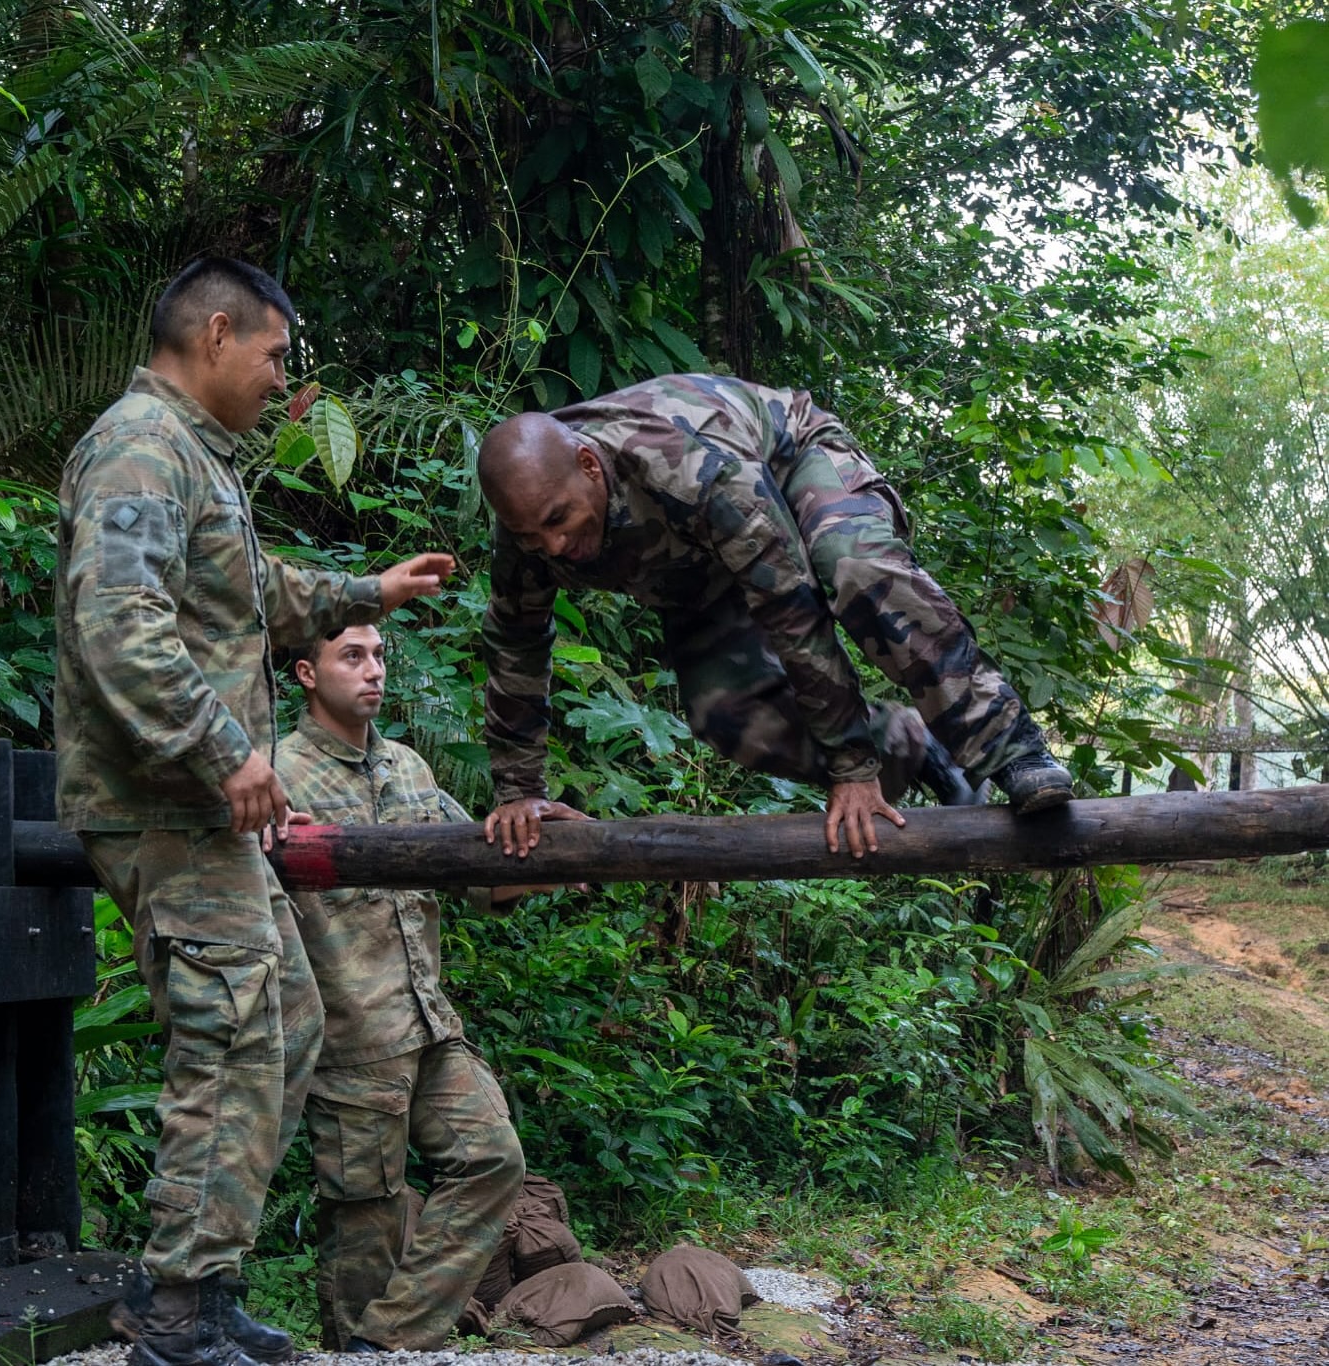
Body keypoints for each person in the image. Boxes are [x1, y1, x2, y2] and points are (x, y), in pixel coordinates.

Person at [54, 257, 455, 1366]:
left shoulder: (193, 458)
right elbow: (120, 626)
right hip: (164, 807)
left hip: (198, 810)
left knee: (284, 1022)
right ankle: (175, 1313)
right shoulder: (140, 446)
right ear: (216, 332)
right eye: (276, 356)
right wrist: (227, 750)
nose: (283, 380)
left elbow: (249, 595)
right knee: (232, 1030)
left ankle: (205, 1279)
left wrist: (367, 593)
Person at [477, 373, 1073, 862]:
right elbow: (515, 644)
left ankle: (1012, 752)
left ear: (588, 465)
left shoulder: (692, 469)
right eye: (531, 535)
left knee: (856, 568)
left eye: (559, 521)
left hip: (791, 467)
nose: (552, 547)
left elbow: (793, 612)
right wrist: (519, 791)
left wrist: (851, 769)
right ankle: (909, 745)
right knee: (727, 713)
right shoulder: (527, 528)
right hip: (694, 568)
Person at [276, 625, 572, 1351]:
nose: (374, 671)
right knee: (364, 1215)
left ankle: (387, 1342)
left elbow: (477, 877)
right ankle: (360, 1345)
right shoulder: (275, 771)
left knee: (493, 1159)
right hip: (350, 1029)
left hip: (430, 1023)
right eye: (354, 657)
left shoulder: (407, 766)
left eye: (379, 656)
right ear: (307, 674)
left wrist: (550, 855)